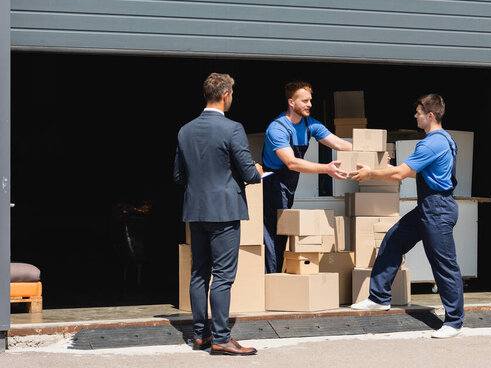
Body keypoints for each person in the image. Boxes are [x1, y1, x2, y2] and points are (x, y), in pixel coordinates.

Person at [349, 94, 465, 339]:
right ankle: (379, 298)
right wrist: (388, 169)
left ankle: (454, 322)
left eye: (419, 112)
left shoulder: (431, 142)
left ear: (430, 116)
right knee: (393, 240)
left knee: (444, 265)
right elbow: (416, 172)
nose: (415, 115)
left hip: (437, 209)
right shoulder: (446, 140)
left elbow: (401, 174)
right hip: (430, 207)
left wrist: (372, 173)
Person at [174, 73, 263, 355]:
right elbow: (248, 172)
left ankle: (200, 335)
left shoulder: (185, 130)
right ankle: (222, 338)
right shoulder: (232, 128)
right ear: (225, 96)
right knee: (223, 276)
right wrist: (257, 171)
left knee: (200, 272)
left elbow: (178, 176)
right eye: (232, 94)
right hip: (224, 211)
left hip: (196, 211)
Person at [262, 81, 352, 273]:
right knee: (273, 235)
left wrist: (376, 151)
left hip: (289, 184)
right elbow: (292, 163)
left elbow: (338, 143)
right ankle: (271, 278)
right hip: (272, 185)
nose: (309, 104)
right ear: (291, 102)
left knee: (283, 233)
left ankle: (280, 276)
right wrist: (326, 169)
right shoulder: (277, 128)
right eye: (304, 101)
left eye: (310, 100)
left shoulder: (310, 124)